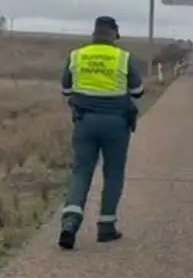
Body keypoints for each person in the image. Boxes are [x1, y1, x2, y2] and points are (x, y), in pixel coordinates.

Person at [58, 16, 145, 249]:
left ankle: (70, 223)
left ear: (94, 33)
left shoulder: (76, 55)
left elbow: (65, 89)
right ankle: (106, 227)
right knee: (113, 173)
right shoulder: (123, 58)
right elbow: (138, 91)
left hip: (84, 122)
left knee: (81, 171)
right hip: (116, 124)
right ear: (114, 34)